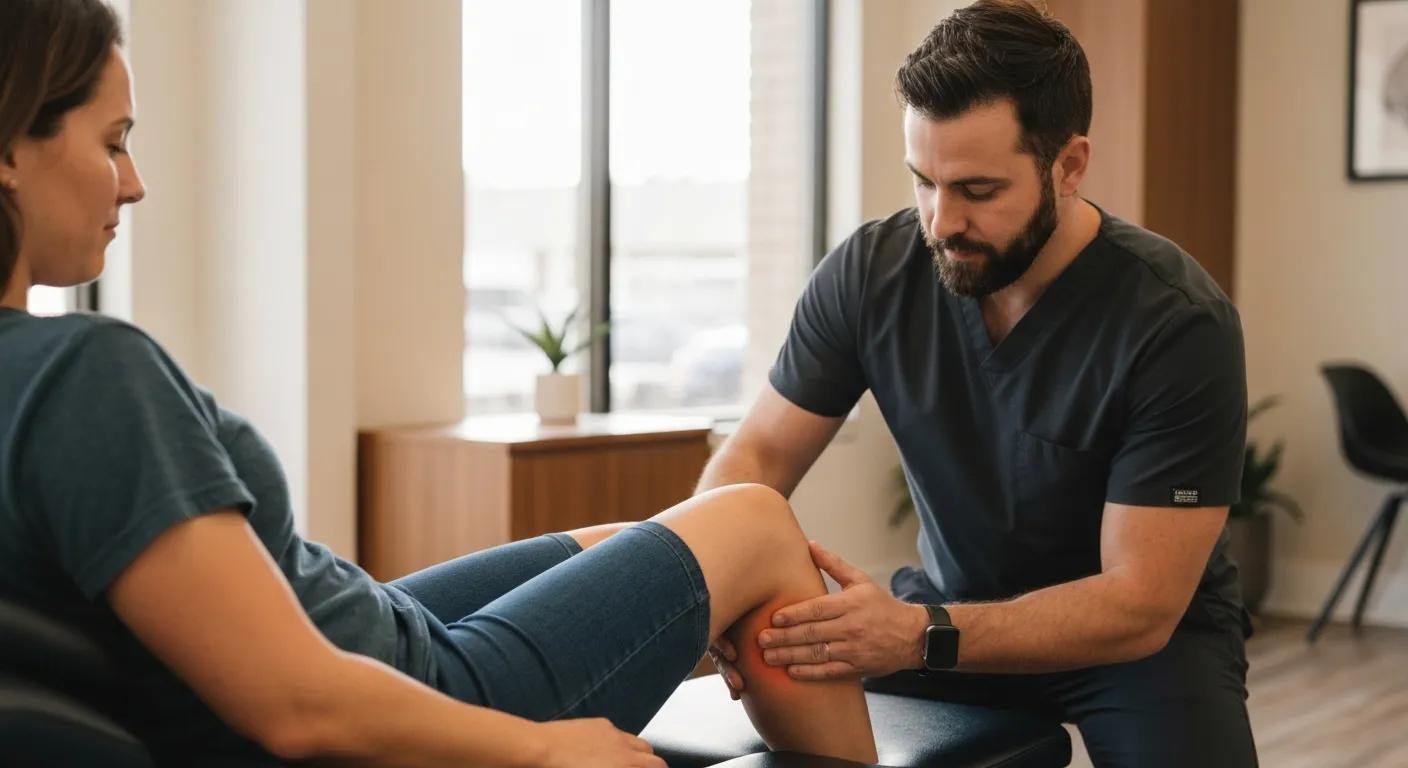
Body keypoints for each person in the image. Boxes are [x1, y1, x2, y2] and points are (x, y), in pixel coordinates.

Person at [0, 1, 878, 765]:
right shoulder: (83, 371)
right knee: (756, 524)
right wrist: (544, 746)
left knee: (639, 536)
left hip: (374, 626)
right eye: (112, 142)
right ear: (11, 148)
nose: (135, 182)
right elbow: (296, 707)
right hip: (429, 691)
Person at [703, 1, 1258, 766]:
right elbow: (757, 457)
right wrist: (723, 593)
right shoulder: (872, 274)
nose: (940, 221)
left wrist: (917, 633)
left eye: (978, 190)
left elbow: (1140, 603)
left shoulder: (1175, 321)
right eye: (923, 182)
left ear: (1068, 166)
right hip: (946, 612)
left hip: (1136, 648)